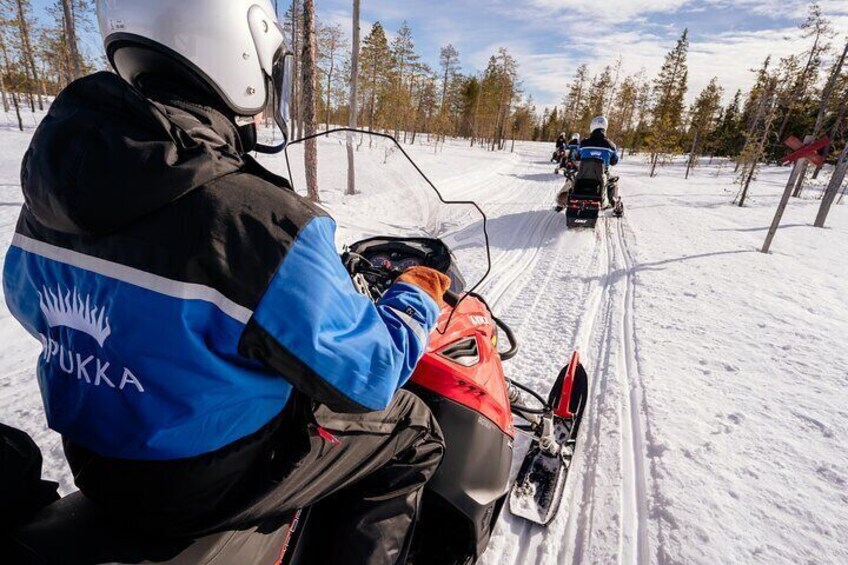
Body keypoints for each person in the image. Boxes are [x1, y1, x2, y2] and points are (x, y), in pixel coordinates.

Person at [2, 1, 447, 563]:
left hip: (94, 462)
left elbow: (28, 304)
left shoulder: (50, 195)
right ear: (241, 54)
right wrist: (415, 295)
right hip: (204, 484)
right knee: (412, 429)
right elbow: (369, 377)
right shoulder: (258, 220)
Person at [576, 116, 620, 206]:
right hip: (602, 175)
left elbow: (577, 157)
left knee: (572, 179)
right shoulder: (611, 145)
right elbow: (614, 162)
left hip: (583, 174)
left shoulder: (583, 143)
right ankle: (613, 200)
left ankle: (562, 200)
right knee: (614, 182)